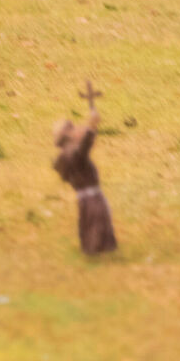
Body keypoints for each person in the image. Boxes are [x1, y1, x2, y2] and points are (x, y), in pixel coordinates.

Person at [52, 102, 117, 256]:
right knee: (96, 221)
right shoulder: (73, 153)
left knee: (89, 221)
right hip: (92, 196)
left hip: (84, 198)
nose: (76, 130)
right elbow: (84, 147)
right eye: (73, 129)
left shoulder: (64, 156)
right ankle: (96, 249)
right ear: (67, 135)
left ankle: (95, 248)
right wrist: (92, 127)